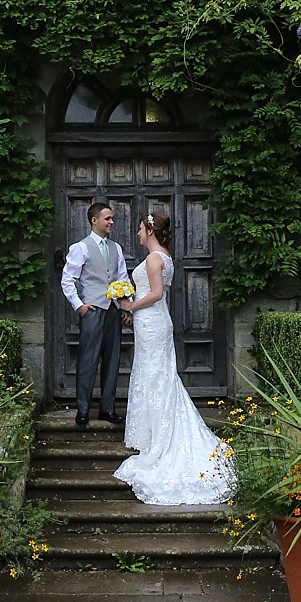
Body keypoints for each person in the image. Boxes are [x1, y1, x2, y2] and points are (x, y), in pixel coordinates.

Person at [113, 212, 234, 505]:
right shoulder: (165, 256)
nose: (138, 234)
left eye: (141, 229)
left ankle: (161, 442)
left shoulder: (155, 259)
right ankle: (155, 435)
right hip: (152, 323)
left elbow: (155, 294)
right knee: (154, 376)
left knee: (156, 377)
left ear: (150, 230)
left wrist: (129, 306)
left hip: (152, 322)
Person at [61, 202, 128, 426]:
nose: (111, 222)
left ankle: (107, 409)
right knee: (88, 360)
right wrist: (79, 305)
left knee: (112, 360)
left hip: (113, 311)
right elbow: (68, 279)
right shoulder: (80, 248)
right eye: (107, 218)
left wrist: (126, 307)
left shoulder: (116, 248)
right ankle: (83, 409)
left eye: (112, 218)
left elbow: (122, 279)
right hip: (92, 310)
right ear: (94, 220)